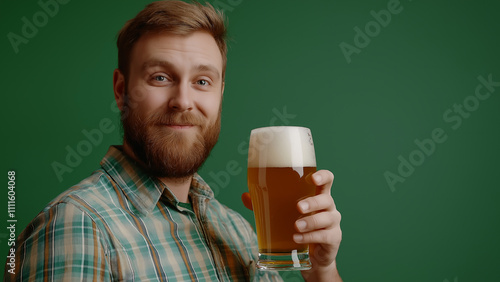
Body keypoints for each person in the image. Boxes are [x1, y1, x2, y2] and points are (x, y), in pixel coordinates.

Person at [5, 1, 342, 281]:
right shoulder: (77, 227)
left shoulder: (238, 231)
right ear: (121, 90)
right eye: (161, 77)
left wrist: (322, 270)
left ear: (220, 93)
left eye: (203, 81)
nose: (183, 100)